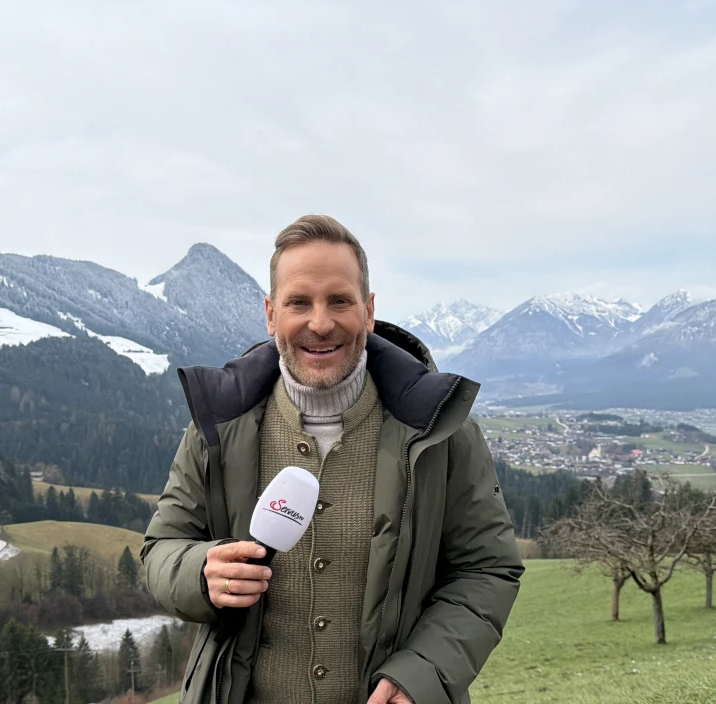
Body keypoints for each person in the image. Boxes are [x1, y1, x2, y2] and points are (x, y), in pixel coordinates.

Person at [141, 214, 523, 704]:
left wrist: (424, 673)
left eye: (339, 301)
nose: (320, 323)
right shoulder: (219, 426)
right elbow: (161, 550)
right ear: (271, 314)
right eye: (299, 302)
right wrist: (200, 571)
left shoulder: (441, 431)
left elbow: (486, 570)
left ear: (368, 311)